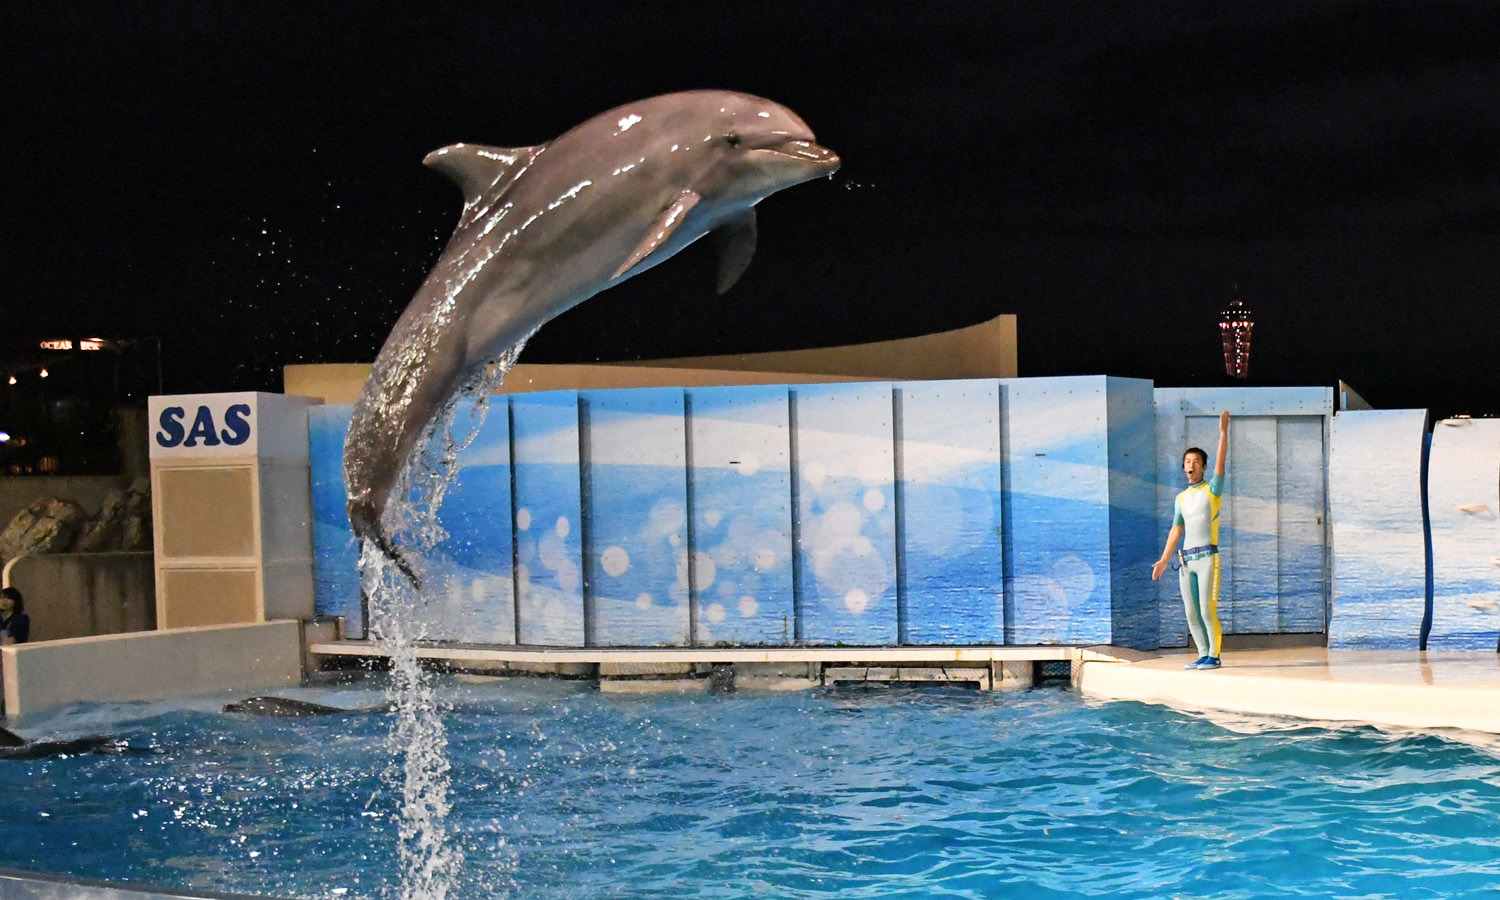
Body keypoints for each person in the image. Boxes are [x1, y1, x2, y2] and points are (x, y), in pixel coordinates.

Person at [1151, 410, 1229, 670]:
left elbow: (1221, 465)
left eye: (1196, 461)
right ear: (1183, 466)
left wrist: (1223, 434)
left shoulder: (1212, 490)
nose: (1191, 465)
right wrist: (1164, 560)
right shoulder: (1181, 498)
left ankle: (1215, 656)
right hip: (1186, 562)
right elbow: (1176, 530)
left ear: (1203, 466)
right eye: (1187, 461)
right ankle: (1203, 652)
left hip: (1208, 558)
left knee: (1207, 608)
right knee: (1191, 612)